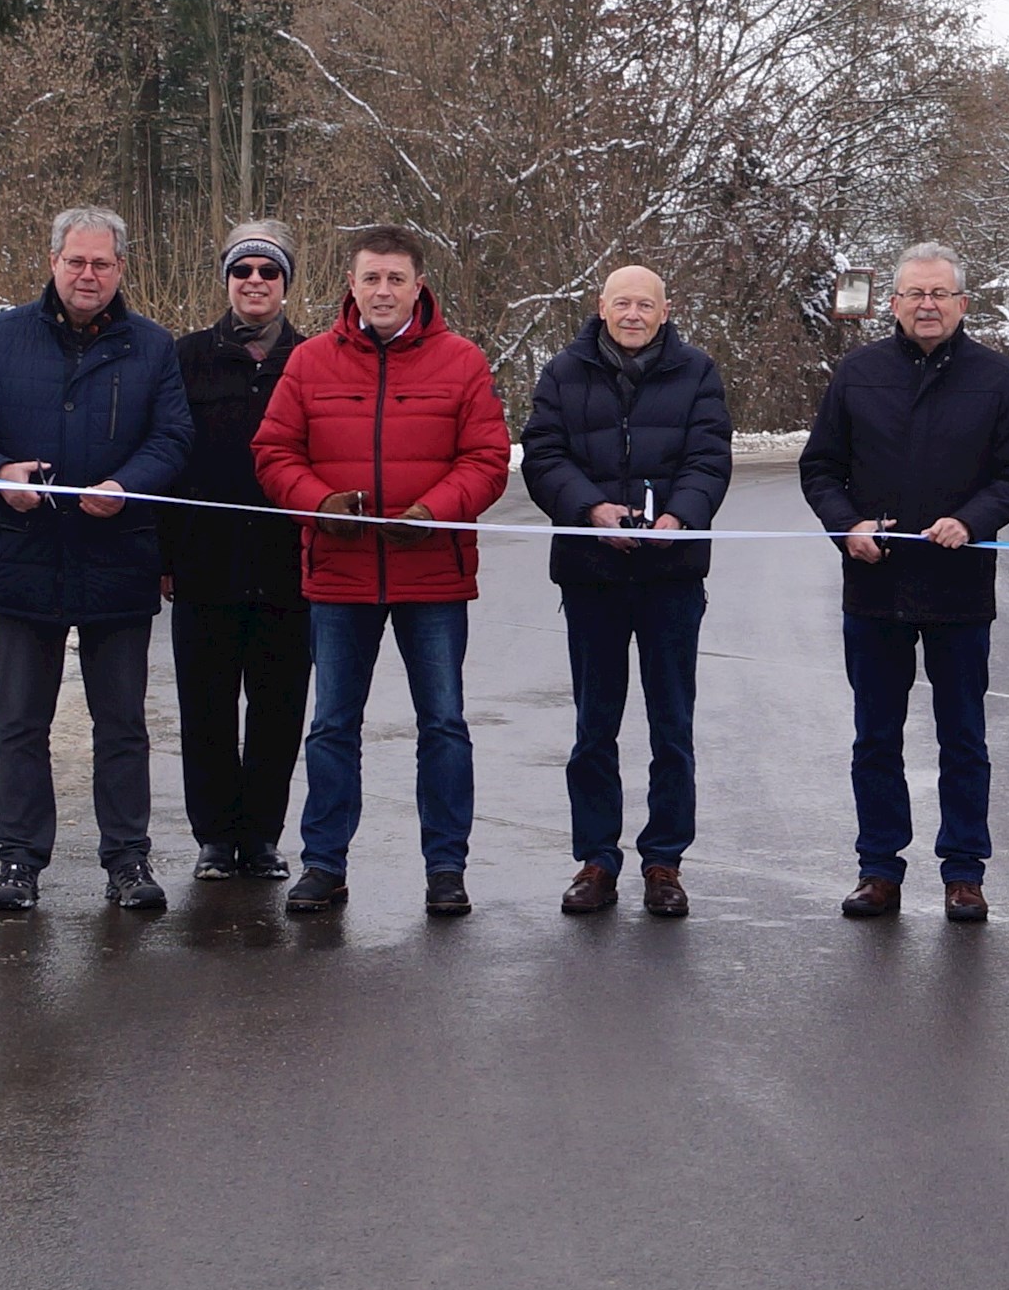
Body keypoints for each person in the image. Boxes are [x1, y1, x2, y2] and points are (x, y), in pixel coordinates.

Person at [0, 206, 193, 917]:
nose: (88, 275)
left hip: (119, 556)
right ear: (52, 262)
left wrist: (127, 484)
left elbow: (173, 436)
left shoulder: (152, 345)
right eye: (76, 261)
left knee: (121, 724)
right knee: (21, 720)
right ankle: (19, 859)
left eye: (102, 263)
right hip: (26, 556)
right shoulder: (0, 337)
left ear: (120, 268)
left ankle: (127, 859)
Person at [256, 224, 508, 919]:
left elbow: (487, 460)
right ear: (352, 285)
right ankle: (323, 863)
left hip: (433, 574)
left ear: (418, 285)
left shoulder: (461, 361)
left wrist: (435, 510)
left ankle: (446, 868)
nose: (383, 290)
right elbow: (274, 452)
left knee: (444, 724)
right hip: (339, 573)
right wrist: (318, 504)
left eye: (396, 278)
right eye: (371, 278)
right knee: (333, 724)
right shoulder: (308, 362)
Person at [797, 242, 1009, 924]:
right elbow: (821, 469)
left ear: (963, 303)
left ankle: (964, 871)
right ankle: (879, 868)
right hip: (875, 587)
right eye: (914, 294)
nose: (927, 305)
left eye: (940, 294)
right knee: (876, 736)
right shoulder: (858, 372)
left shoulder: (998, 378)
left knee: (962, 736)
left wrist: (973, 520)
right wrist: (847, 526)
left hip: (959, 586)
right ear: (895, 303)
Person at [520, 265, 731, 918]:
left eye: (645, 304)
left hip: (671, 577)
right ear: (600, 307)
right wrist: (591, 511)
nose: (633, 313)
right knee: (594, 726)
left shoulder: (697, 372)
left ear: (665, 311)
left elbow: (709, 457)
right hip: (593, 573)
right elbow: (544, 455)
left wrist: (680, 519)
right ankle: (596, 860)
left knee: (673, 726)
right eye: (622, 303)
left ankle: (664, 861)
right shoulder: (563, 372)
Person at [163, 223, 313, 883]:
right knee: (207, 708)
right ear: (226, 279)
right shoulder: (185, 358)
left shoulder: (312, 359)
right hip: (204, 563)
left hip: (289, 569)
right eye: (243, 270)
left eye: (269, 272)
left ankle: (262, 836)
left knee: (279, 709)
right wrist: (163, 555)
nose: (255, 280)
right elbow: (165, 457)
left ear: (285, 284)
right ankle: (215, 838)